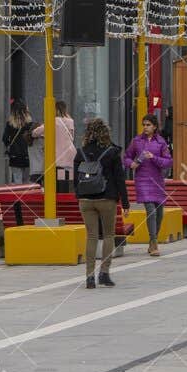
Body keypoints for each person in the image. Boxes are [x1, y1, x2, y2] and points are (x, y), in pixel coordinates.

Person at [76, 117, 129, 288]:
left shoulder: (80, 152)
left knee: (91, 236)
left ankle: (89, 277)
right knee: (108, 235)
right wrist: (126, 202)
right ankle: (104, 273)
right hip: (107, 198)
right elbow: (120, 179)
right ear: (106, 133)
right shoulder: (112, 152)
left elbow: (75, 180)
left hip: (85, 200)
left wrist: (78, 195)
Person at [124, 113, 173, 257]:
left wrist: (154, 158)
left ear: (155, 127)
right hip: (142, 180)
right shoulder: (137, 141)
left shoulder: (161, 142)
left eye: (148, 125)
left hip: (157, 180)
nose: (145, 127)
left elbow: (168, 161)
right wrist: (131, 164)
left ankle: (153, 240)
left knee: (159, 212)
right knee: (150, 210)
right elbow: (126, 157)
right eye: (144, 125)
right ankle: (154, 241)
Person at [34, 100, 78, 187]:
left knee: (57, 186)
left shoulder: (53, 121)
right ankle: (65, 198)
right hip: (69, 157)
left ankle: (58, 199)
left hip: (57, 159)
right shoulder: (70, 121)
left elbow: (36, 132)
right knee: (66, 182)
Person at [2, 99, 36, 184]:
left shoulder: (10, 124)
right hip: (27, 154)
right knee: (26, 180)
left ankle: (18, 196)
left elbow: (5, 138)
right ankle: (25, 196)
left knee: (17, 180)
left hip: (14, 155)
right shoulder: (30, 124)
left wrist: (10, 145)